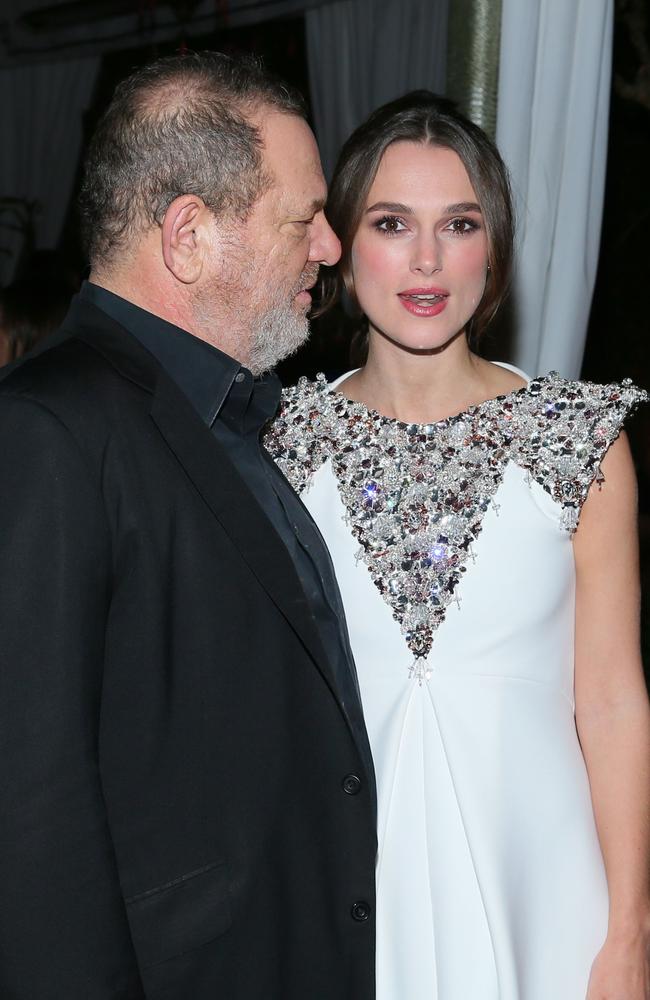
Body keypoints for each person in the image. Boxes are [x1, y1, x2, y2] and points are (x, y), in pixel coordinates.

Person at [0, 52, 377, 999]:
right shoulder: (47, 430)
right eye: (304, 219)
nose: (330, 248)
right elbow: (29, 816)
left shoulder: (232, 413)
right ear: (189, 236)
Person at [265, 91, 650, 1000]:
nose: (428, 259)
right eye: (393, 223)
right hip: (348, 900)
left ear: (495, 248)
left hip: (548, 897)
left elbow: (611, 702)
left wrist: (629, 934)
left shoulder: (579, 439)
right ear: (341, 246)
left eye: (460, 224)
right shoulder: (278, 445)